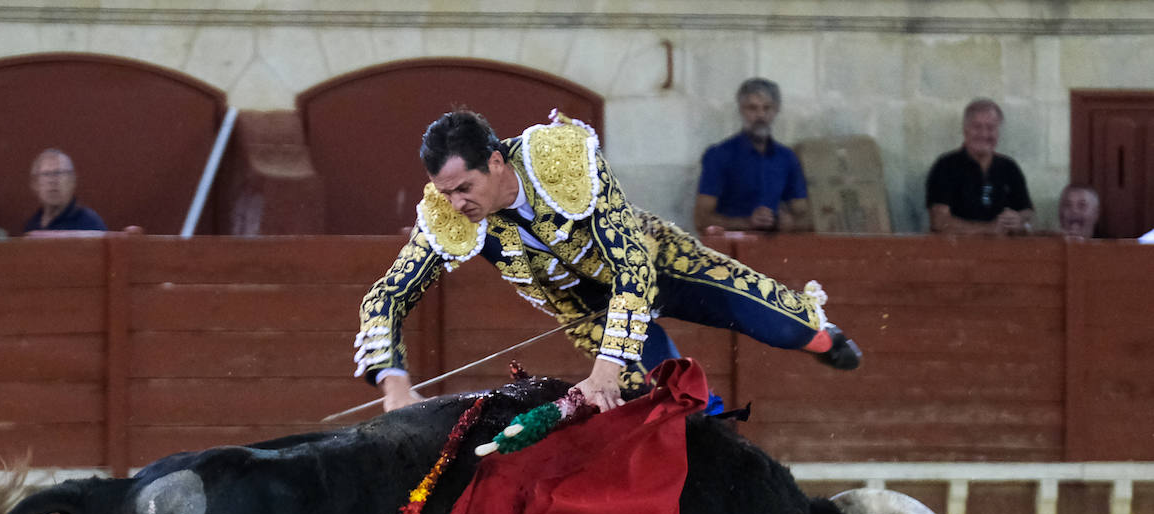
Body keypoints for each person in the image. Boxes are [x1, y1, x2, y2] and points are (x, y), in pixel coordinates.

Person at [355, 110, 860, 414]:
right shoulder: (448, 213)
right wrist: (394, 384)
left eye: (465, 188)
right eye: (447, 193)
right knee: (669, 400)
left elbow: (632, 268)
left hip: (660, 263)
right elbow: (387, 296)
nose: (457, 204)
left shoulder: (557, 159)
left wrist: (603, 371)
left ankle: (822, 337)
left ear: (495, 162)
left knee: (781, 323)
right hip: (589, 311)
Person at [694, 78, 810, 234]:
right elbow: (701, 220)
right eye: (752, 108)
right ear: (741, 110)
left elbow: (807, 218)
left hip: (775, 249)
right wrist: (747, 223)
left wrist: (789, 223)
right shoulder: (719, 155)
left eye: (767, 108)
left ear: (776, 111)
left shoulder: (786, 158)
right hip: (730, 251)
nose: (760, 115)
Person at [926, 99, 1033, 235]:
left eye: (991, 127)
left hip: (1004, 253)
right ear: (965, 130)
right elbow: (939, 221)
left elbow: (1027, 211)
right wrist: (988, 229)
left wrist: (1019, 220)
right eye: (977, 127)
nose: (984, 134)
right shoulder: (945, 166)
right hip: (957, 253)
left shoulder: (1009, 167)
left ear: (998, 131)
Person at [22, 149, 106, 233]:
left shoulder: (89, 223)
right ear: (35, 184)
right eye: (46, 174)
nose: (53, 180)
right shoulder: (31, 227)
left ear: (72, 181)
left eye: (58, 173)